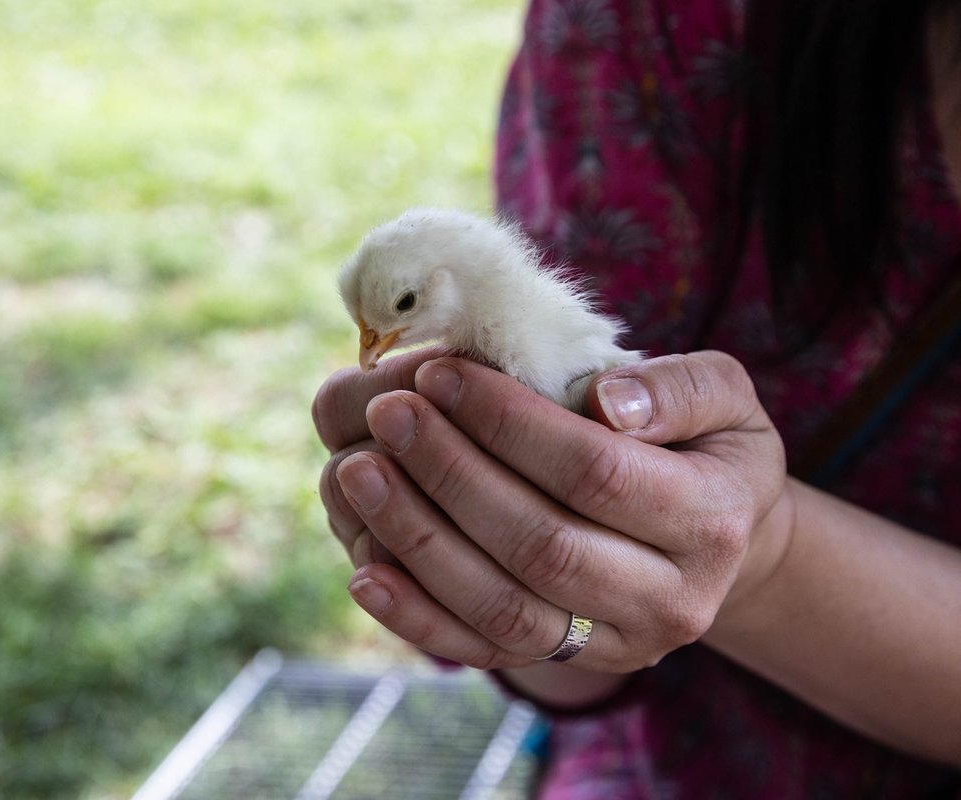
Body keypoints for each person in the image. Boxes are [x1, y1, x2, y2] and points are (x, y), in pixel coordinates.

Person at [313, 0, 961, 796]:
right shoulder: (646, 25)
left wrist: (762, 556)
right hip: (659, 759)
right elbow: (567, 649)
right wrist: (533, 606)